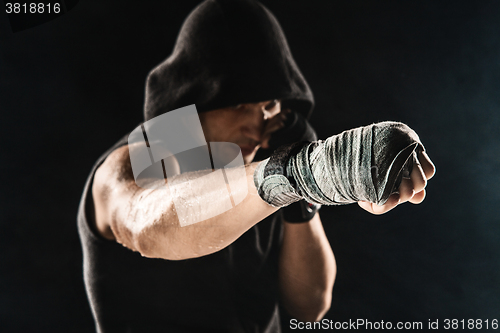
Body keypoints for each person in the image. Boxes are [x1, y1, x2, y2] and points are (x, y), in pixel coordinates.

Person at [77, 0, 435, 332]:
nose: (256, 125)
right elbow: (145, 224)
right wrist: (303, 171)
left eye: (268, 105)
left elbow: (307, 309)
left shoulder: (262, 166)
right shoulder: (130, 163)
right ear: (195, 97)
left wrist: (303, 194)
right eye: (240, 105)